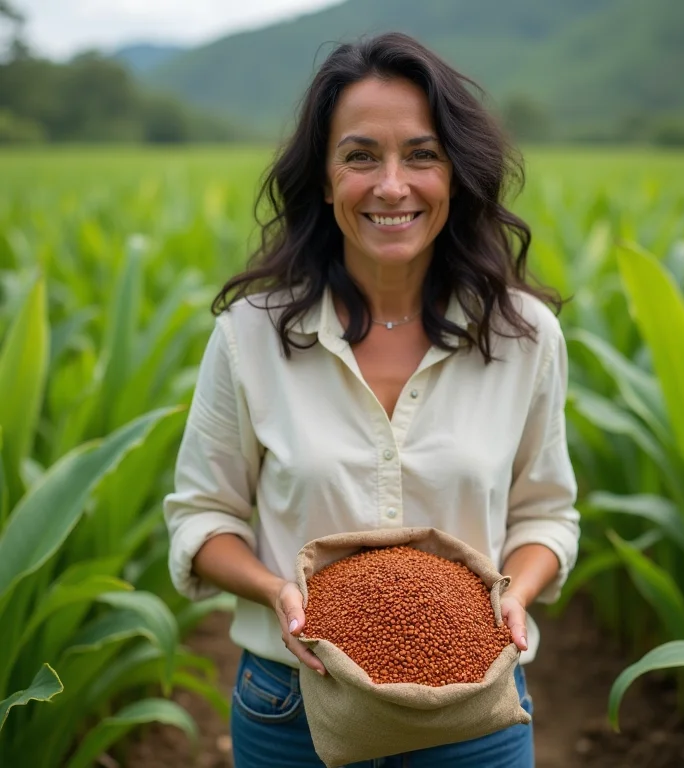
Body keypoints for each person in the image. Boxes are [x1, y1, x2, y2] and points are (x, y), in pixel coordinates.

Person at [164, 31, 580, 768]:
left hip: (475, 706)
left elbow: (545, 513)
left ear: (455, 174)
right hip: (295, 706)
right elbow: (204, 515)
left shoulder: (524, 336)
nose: (392, 185)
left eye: (421, 154)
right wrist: (277, 592)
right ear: (325, 181)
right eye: (361, 156)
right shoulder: (251, 336)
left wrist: (514, 595)